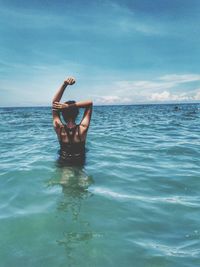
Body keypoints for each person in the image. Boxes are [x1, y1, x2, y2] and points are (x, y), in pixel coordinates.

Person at [52, 77, 93, 166]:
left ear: (62, 114)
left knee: (64, 178)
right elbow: (89, 103)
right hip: (80, 162)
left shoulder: (59, 128)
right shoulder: (82, 129)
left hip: (63, 161)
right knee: (82, 178)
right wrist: (69, 106)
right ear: (77, 114)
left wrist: (64, 84)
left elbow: (54, 103)